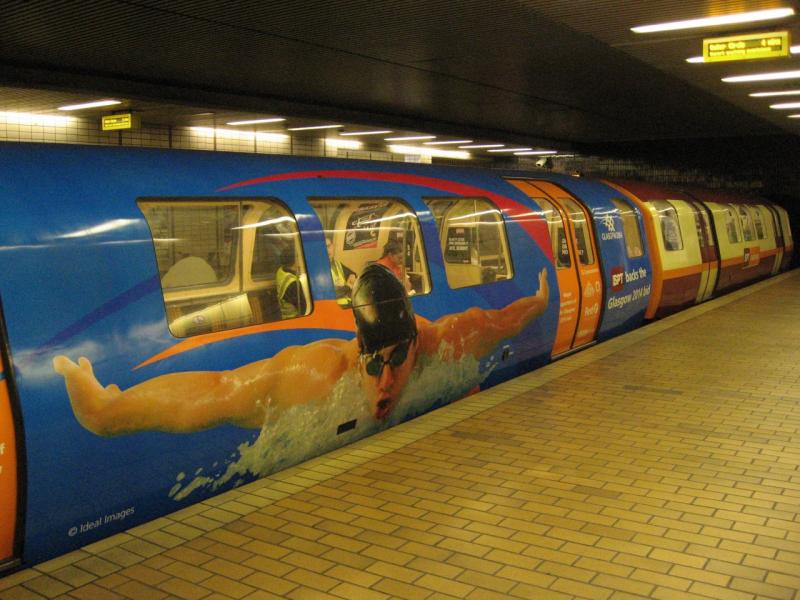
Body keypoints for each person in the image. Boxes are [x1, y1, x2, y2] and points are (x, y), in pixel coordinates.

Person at [53, 265, 549, 436]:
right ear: (358, 352)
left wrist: (544, 299)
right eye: (374, 362)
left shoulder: (447, 344)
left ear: (417, 347)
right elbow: (214, 393)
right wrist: (106, 409)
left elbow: (504, 321)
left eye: (398, 359)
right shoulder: (316, 377)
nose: (385, 379)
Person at [276, 244, 307, 319]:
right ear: (296, 259)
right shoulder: (293, 283)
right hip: (294, 318)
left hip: (284, 316)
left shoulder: (280, 271)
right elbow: (304, 308)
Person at [326, 236, 356, 306]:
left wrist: (352, 275)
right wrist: (348, 287)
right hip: (334, 307)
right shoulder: (320, 269)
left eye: (328, 246)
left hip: (347, 303)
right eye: (323, 248)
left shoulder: (337, 264)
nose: (327, 251)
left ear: (333, 246)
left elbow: (352, 273)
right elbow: (329, 295)